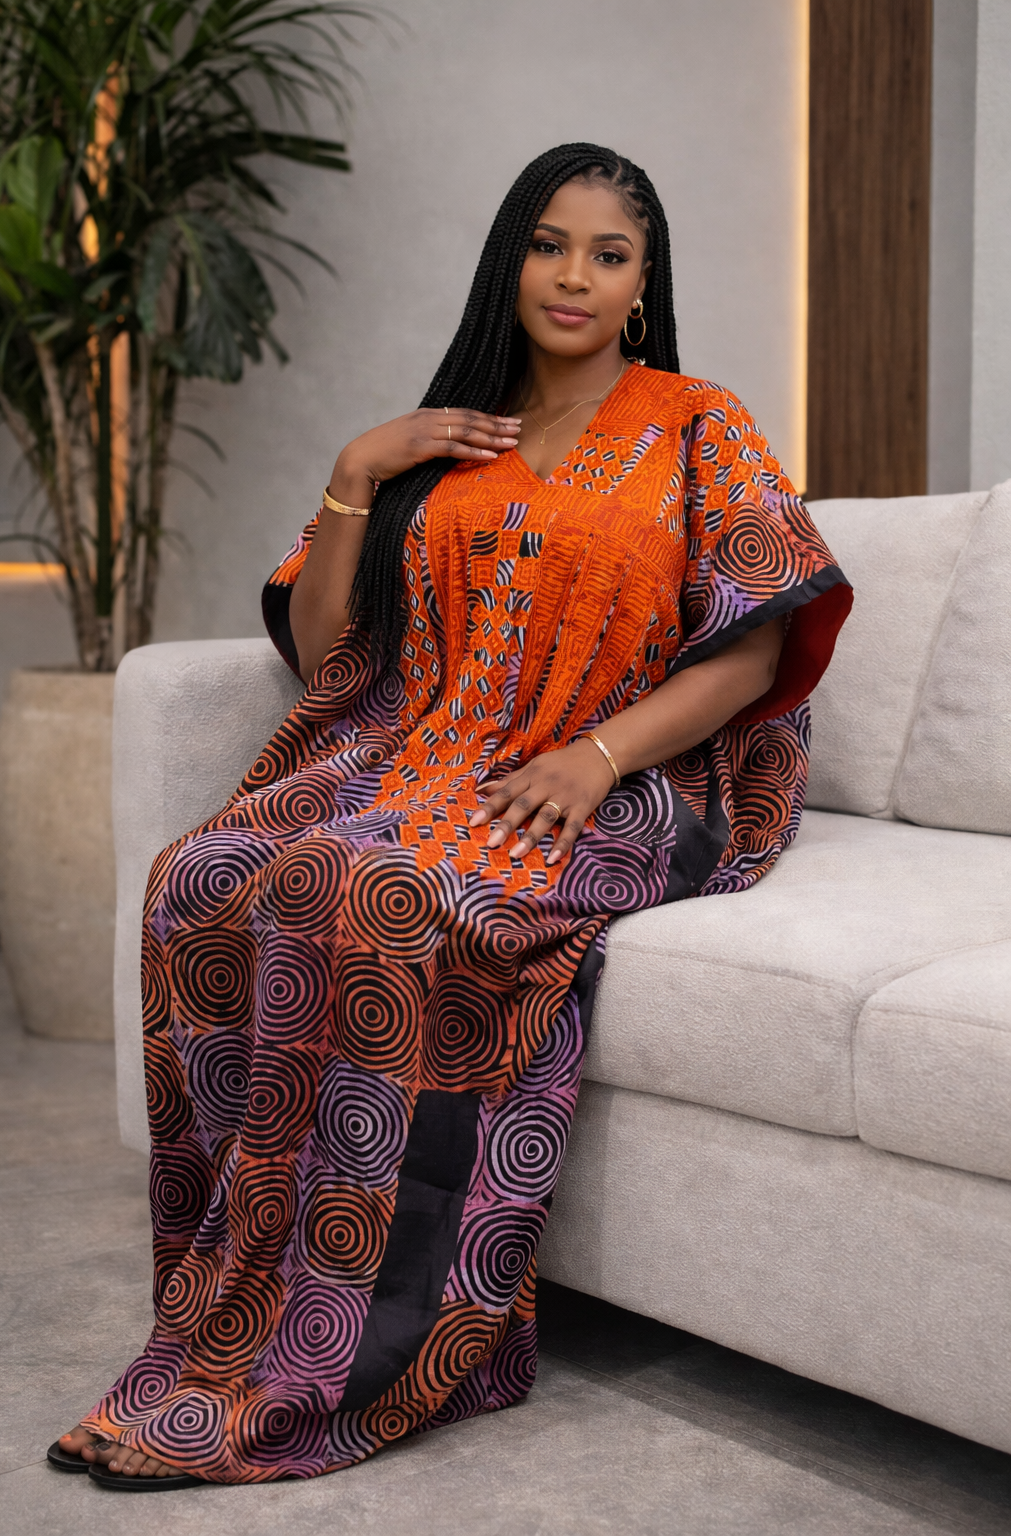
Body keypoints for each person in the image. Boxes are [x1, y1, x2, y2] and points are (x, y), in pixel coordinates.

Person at [53, 143, 851, 1488]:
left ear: (646, 285)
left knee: (362, 897)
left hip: (629, 780)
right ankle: (225, 1305)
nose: (577, 276)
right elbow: (324, 655)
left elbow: (758, 651)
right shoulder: (446, 438)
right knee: (203, 875)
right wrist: (359, 471)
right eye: (551, 244)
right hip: (421, 756)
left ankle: (355, 1351)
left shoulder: (695, 421)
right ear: (511, 259)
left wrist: (598, 760)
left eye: (611, 253)